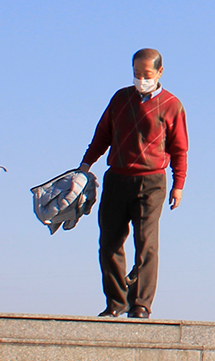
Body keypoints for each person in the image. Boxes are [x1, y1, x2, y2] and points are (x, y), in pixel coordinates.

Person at [78, 48, 188, 319]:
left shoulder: (172, 105)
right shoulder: (120, 98)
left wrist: (179, 184)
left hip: (151, 183)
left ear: (159, 72)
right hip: (117, 178)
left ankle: (141, 304)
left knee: (146, 244)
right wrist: (85, 165)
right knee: (109, 243)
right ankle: (116, 303)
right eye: (137, 74)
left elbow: (180, 149)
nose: (141, 79)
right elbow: (102, 133)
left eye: (147, 74)